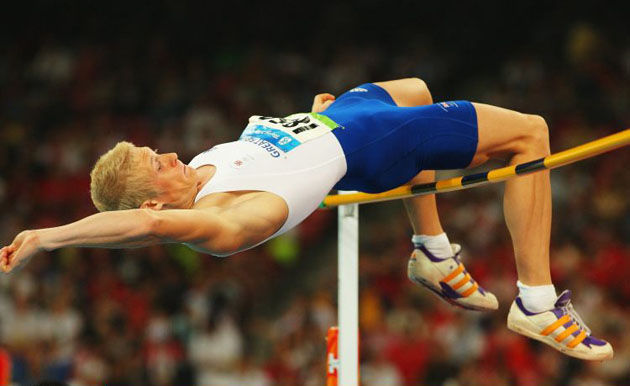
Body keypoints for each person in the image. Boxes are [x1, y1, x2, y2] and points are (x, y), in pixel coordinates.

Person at [0, 78, 612, 360]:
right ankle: (535, 301)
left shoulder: (207, 163)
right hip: (373, 146)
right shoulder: (221, 220)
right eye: (152, 164)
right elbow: (147, 230)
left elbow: (280, 150)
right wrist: (50, 237)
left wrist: (313, 115)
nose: (164, 153)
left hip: (344, 121)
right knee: (532, 134)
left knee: (418, 87)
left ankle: (432, 249)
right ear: (153, 203)